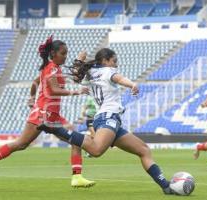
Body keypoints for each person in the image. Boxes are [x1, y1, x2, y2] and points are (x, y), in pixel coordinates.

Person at [37, 48, 174, 195]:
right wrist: (132, 85)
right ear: (105, 61)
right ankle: (57, 129)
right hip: (108, 118)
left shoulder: (90, 74)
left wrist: (79, 60)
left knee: (143, 150)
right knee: (96, 150)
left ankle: (166, 186)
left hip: (105, 119)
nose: (116, 64)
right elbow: (119, 79)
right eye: (114, 61)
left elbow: (77, 77)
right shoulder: (107, 72)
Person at [0, 36, 95, 187]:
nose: (65, 56)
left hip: (52, 115)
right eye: (63, 53)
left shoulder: (52, 68)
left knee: (76, 141)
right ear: (53, 53)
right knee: (21, 144)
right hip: (42, 114)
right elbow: (53, 89)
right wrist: (77, 92)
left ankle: (77, 178)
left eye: (66, 53)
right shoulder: (52, 68)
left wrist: (32, 97)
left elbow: (35, 82)